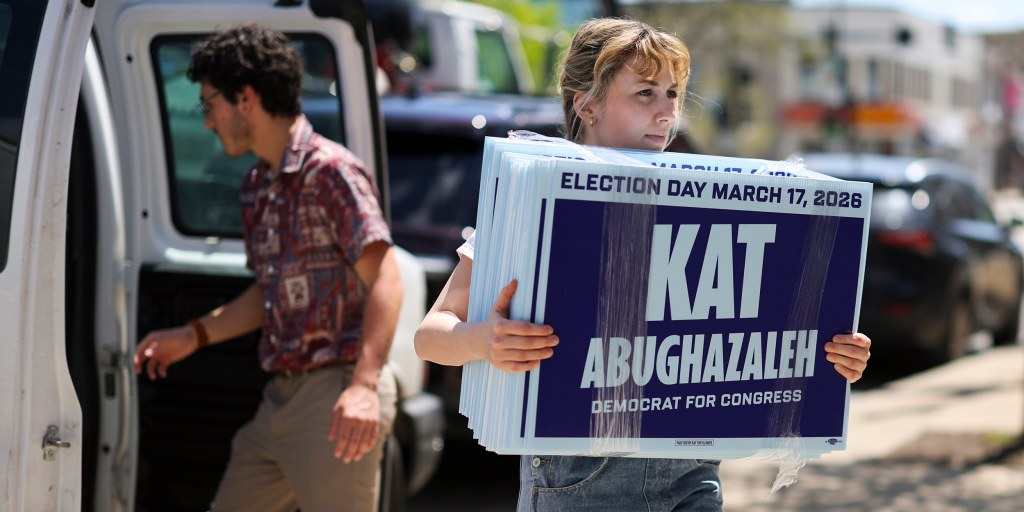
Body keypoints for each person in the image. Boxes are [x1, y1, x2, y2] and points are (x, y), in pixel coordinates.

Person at [414, 18, 871, 511]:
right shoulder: (532, 198)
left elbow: (762, 332)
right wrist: (481, 340)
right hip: (581, 481)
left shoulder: (713, 203)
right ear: (585, 104)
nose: (665, 111)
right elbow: (429, 334)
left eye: (672, 94)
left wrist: (832, 358)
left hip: (694, 477)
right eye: (644, 93)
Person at [132, 24, 401, 512]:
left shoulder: (331, 172)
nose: (207, 120)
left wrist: (364, 386)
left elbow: (386, 276)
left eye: (208, 103)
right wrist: (192, 335)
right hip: (279, 399)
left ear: (245, 98)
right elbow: (269, 292)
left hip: (336, 393)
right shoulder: (257, 184)